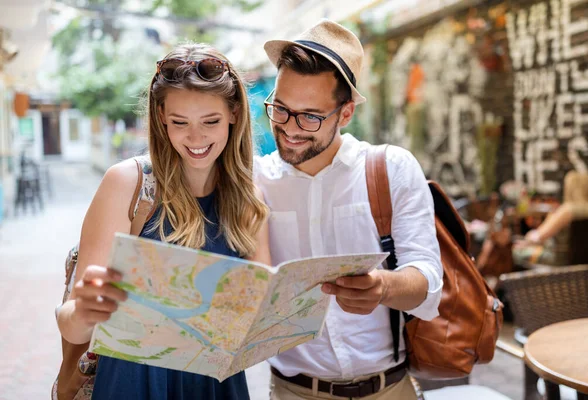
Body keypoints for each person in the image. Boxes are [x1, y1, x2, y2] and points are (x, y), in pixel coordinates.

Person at [55, 43, 270, 399]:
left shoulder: (249, 199)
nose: (196, 138)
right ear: (160, 117)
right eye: (179, 122)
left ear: (234, 113)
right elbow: (71, 325)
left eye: (211, 122)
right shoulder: (127, 184)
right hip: (134, 383)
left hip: (214, 384)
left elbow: (258, 315)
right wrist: (85, 309)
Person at [254, 20, 443, 400]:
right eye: (281, 109)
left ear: (345, 114)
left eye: (310, 116)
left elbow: (428, 282)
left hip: (389, 389)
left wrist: (383, 286)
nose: (290, 129)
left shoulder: (390, 168)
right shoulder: (255, 181)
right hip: (291, 391)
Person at [514, 170, 588, 265]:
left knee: (515, 253)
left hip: (561, 261)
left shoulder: (567, 211)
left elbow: (538, 236)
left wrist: (528, 237)